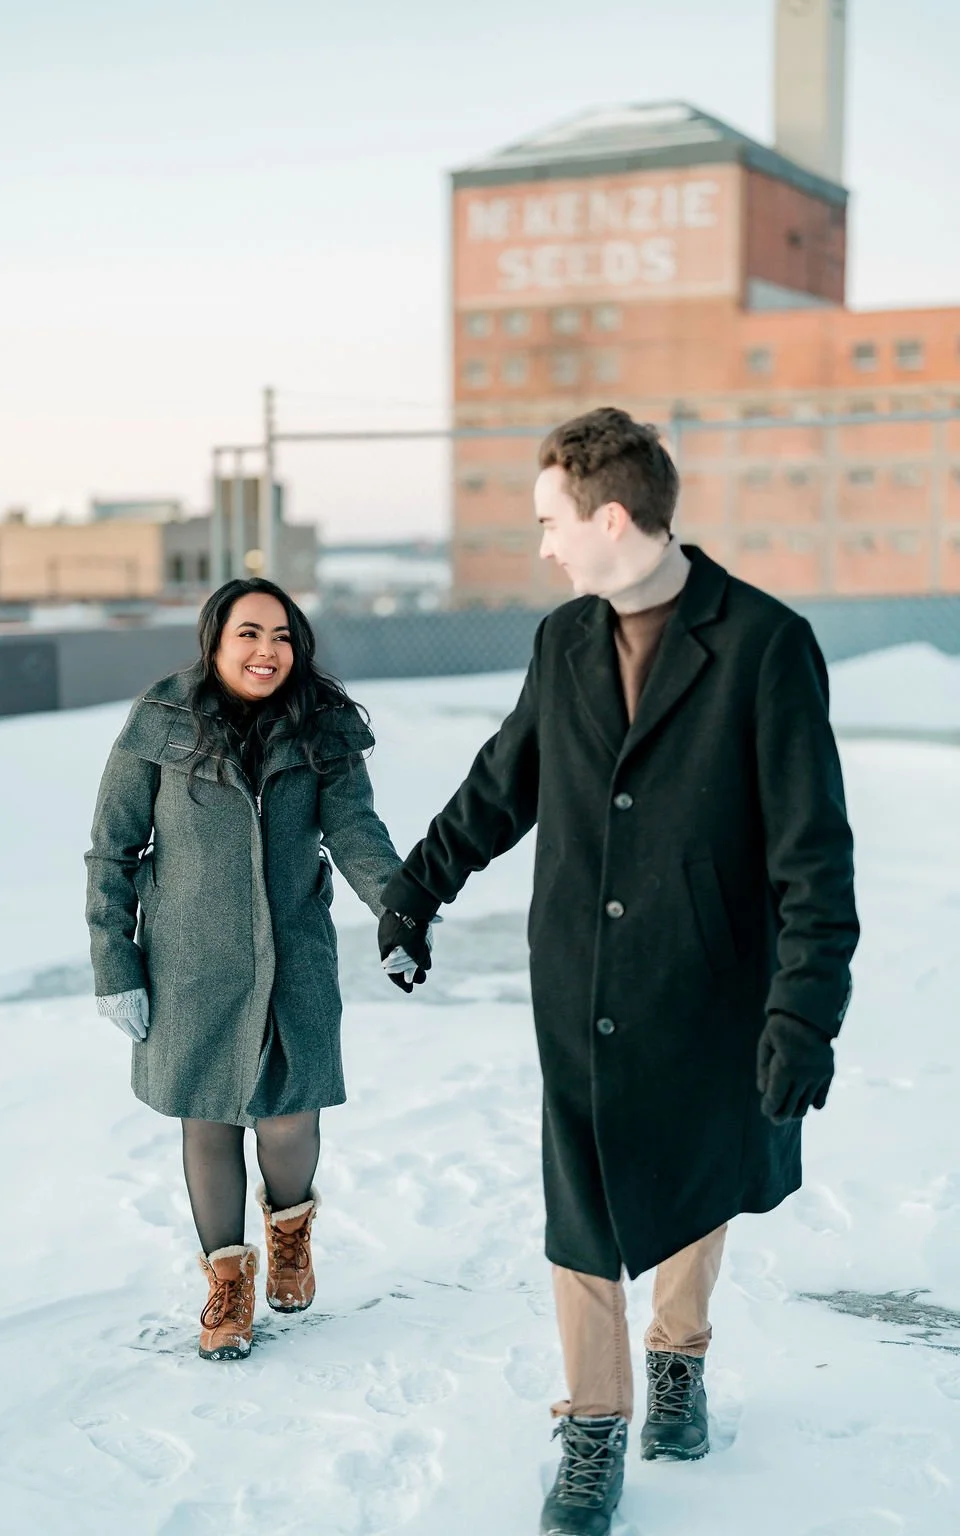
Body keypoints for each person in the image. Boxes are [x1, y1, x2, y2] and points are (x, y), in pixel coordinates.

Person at [378, 408, 859, 1535]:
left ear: (609, 515)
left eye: (550, 520)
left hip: (707, 982)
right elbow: (503, 783)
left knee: (694, 1171)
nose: (542, 546)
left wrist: (804, 1012)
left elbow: (811, 849)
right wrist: (415, 888)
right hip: (580, 980)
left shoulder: (762, 643)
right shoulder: (564, 643)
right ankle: (593, 1423)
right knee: (582, 1199)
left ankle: (678, 1355)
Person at [87, 577, 406, 1361]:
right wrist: (113, 961)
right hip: (191, 960)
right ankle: (227, 1282)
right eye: (250, 634)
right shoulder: (159, 725)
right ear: (216, 641)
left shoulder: (321, 729)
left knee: (291, 1112)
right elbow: (112, 852)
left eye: (283, 637)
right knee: (211, 1116)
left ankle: (289, 1231)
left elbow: (357, 833)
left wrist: (402, 911)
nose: (268, 652)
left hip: (295, 953)